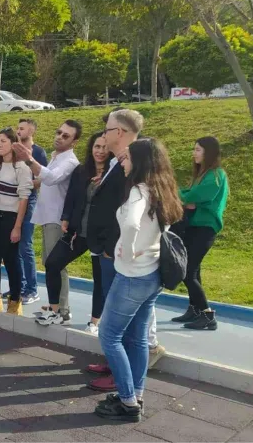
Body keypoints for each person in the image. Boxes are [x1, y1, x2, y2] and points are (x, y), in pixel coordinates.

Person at [94, 138, 183, 422]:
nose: (123, 162)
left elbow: (132, 224)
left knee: (109, 335)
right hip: (152, 273)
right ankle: (134, 395)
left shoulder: (138, 191)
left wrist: (128, 249)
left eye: (127, 158)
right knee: (138, 338)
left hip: (133, 275)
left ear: (140, 162)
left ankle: (128, 401)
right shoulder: (161, 190)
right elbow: (160, 227)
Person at [85, 109, 165, 393]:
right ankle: (123, 379)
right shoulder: (119, 163)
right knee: (120, 322)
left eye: (107, 129)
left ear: (119, 132)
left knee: (121, 330)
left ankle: (125, 386)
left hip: (120, 257)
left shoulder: (133, 165)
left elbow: (131, 216)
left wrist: (117, 250)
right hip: (117, 253)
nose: (103, 134)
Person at [36, 132, 112, 332]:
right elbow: (71, 196)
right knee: (52, 263)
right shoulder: (81, 170)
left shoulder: (115, 173)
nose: (100, 151)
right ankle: (55, 311)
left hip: (100, 235)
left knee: (100, 279)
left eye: (105, 147)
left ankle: (95, 322)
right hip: (78, 232)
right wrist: (66, 218)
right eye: (97, 146)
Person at [15, 120, 82, 323]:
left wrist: (28, 159)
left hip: (57, 219)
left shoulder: (70, 161)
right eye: (59, 132)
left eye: (66, 136)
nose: (59, 137)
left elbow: (51, 178)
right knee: (49, 263)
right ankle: (57, 305)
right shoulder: (56, 157)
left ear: (74, 142)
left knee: (56, 264)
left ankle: (62, 309)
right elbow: (44, 180)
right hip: (48, 217)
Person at [171, 136, 229, 330]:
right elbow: (189, 196)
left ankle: (207, 314)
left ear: (208, 152)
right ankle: (194, 309)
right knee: (194, 270)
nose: (193, 153)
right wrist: (186, 198)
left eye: (197, 149)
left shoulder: (216, 175)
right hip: (195, 227)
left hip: (205, 228)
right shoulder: (204, 175)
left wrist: (178, 195)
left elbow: (194, 196)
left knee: (187, 271)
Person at [0, 127, 32, 314]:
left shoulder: (22, 168)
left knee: (10, 260)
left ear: (13, 144)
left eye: (3, 141)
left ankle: (15, 300)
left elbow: (23, 199)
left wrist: (17, 227)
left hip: (9, 218)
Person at [5, 118, 48, 304]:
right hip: (12, 201)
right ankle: (18, 286)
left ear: (31, 131)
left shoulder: (38, 152)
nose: (18, 130)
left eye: (22, 128)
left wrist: (27, 184)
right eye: (18, 127)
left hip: (29, 200)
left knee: (25, 245)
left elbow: (45, 178)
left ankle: (32, 289)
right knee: (13, 245)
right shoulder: (13, 150)